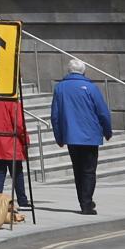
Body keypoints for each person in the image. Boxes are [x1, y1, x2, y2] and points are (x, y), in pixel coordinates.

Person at [48, 58, 113, 214]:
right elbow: (103, 112)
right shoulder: (91, 88)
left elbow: (55, 116)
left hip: (71, 136)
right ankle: (87, 203)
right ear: (84, 71)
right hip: (90, 136)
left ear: (69, 71)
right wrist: (107, 131)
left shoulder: (60, 88)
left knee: (78, 170)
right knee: (89, 171)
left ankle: (83, 202)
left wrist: (59, 136)